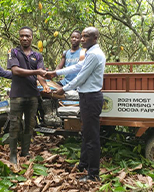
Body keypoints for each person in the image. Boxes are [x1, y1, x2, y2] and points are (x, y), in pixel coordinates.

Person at [46, 27, 106, 182]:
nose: (82, 39)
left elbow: (81, 77)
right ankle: (83, 165)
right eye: (82, 36)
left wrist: (63, 89)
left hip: (91, 98)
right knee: (86, 133)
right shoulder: (90, 53)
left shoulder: (94, 54)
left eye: (86, 37)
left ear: (95, 38)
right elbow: (77, 67)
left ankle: (93, 174)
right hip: (87, 97)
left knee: (92, 138)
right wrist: (56, 73)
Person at [7, 26, 50, 164]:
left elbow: (41, 73)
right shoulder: (13, 52)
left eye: (27, 36)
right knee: (14, 124)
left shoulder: (37, 55)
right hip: (17, 95)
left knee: (30, 124)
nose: (24, 38)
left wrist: (44, 84)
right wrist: (36, 72)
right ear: (19, 37)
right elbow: (15, 71)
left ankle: (25, 152)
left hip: (32, 95)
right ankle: (13, 154)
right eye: (22, 36)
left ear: (32, 37)